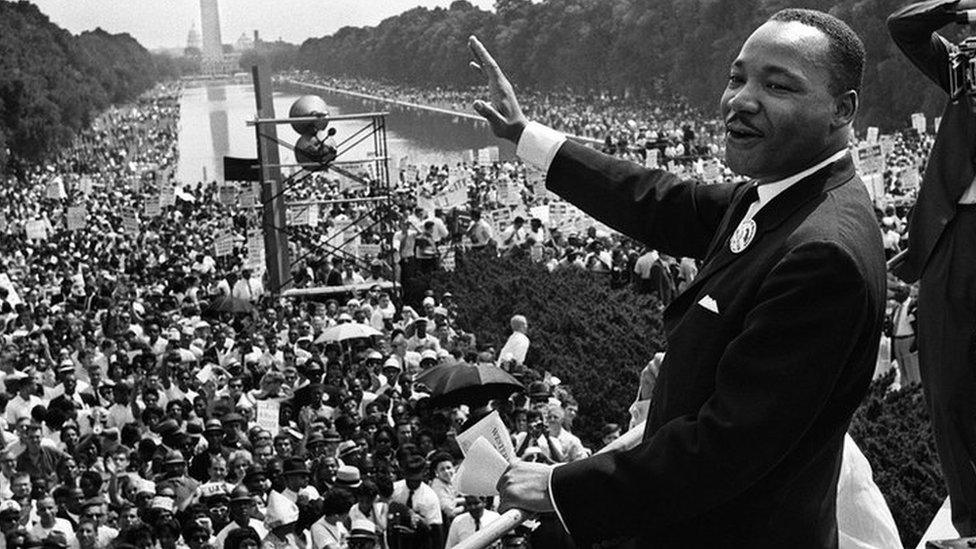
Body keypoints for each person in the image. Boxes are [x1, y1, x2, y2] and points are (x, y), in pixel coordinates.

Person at [470, 6, 886, 547]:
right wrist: (527, 137)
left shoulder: (821, 252)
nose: (740, 99)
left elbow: (727, 448)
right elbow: (656, 200)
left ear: (842, 109)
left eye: (778, 86)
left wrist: (558, 485)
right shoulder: (783, 195)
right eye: (736, 78)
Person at [888, 0, 976, 535]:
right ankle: (970, 517)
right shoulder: (962, 69)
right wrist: (961, 5)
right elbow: (903, 27)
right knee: (947, 385)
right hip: (951, 237)